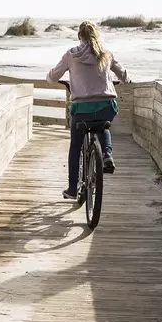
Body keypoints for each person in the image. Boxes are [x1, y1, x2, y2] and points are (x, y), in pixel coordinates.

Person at [47, 21, 128, 200]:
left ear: (79, 36)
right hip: (106, 107)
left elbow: (53, 77)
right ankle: (107, 155)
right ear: (96, 35)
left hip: (82, 109)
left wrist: (50, 77)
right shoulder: (106, 54)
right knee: (103, 126)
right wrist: (124, 80)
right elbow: (123, 74)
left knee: (75, 146)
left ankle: (72, 189)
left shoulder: (71, 55)